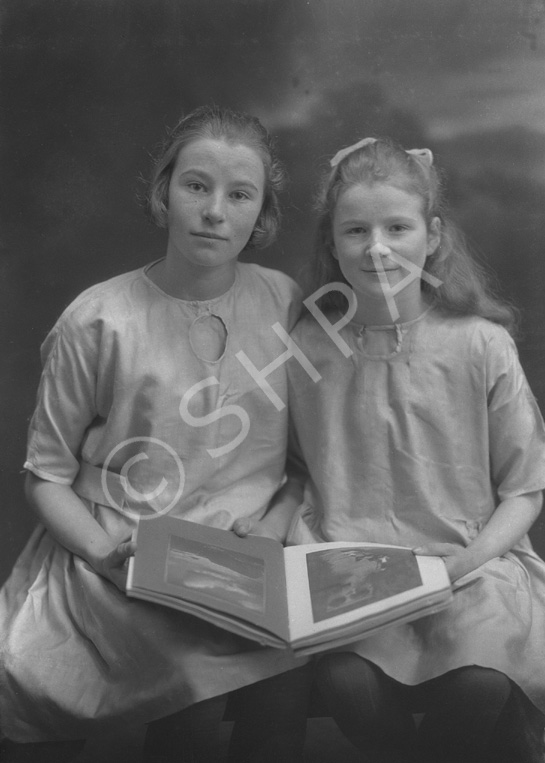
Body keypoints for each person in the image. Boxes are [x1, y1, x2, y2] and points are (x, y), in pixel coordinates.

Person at [0, 105, 312, 763]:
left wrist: (273, 528)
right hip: (119, 555)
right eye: (196, 185)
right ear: (163, 192)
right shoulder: (98, 320)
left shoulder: (283, 301)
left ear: (261, 214)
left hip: (244, 560)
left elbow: (301, 462)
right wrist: (107, 552)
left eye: (239, 194)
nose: (214, 210)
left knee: (281, 698)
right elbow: (45, 475)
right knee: (184, 701)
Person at [239, 137, 545, 762]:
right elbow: (298, 468)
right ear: (332, 243)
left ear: (431, 236)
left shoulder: (481, 345)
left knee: (482, 682)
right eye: (355, 230)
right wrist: (270, 524)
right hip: (353, 570)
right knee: (345, 682)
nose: (376, 248)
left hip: (470, 568)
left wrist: (458, 567)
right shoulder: (307, 350)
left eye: (397, 228)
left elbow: (525, 488)